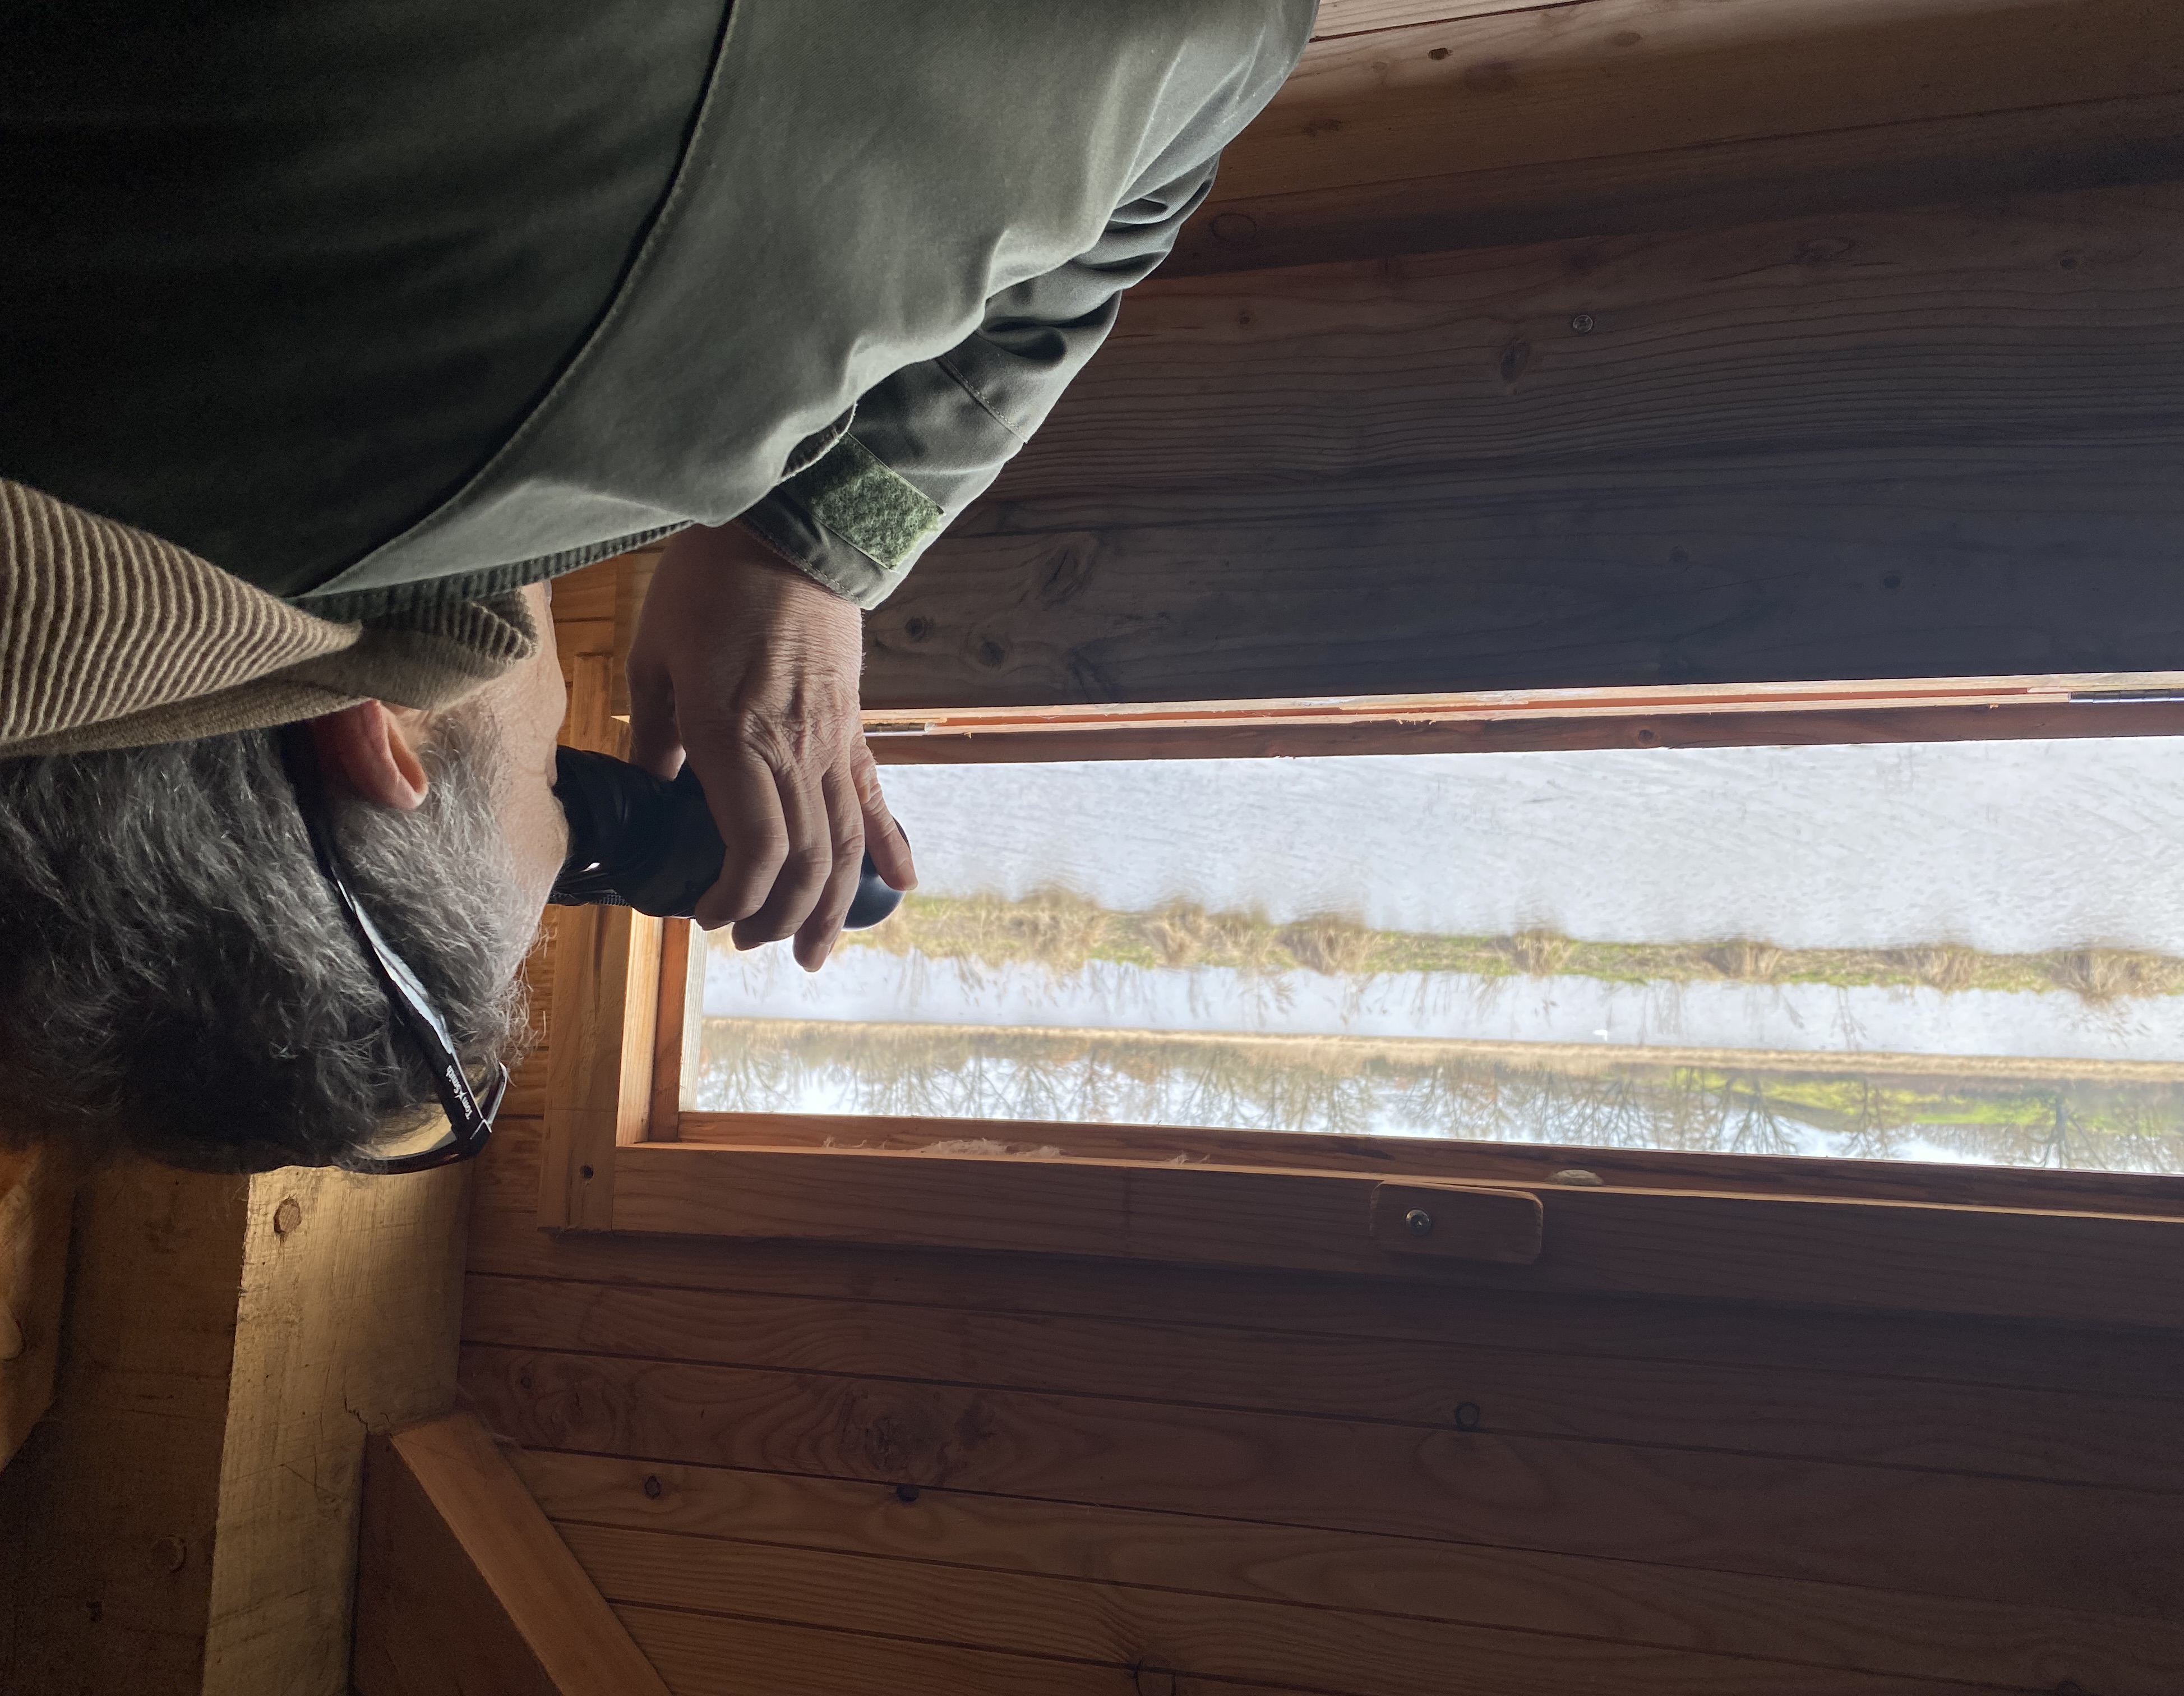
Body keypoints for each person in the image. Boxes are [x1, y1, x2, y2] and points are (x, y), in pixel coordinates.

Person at [0, 1, 1316, 1170]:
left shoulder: (580, 392)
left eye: (549, 790)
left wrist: (804, 540)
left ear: (378, 730)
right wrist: (795, 552)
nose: (567, 750)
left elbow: (1221, 44)